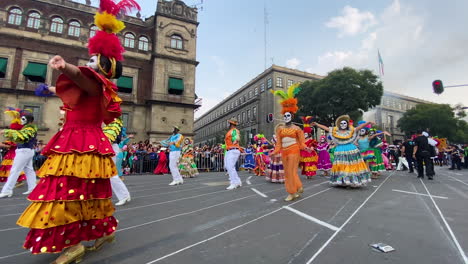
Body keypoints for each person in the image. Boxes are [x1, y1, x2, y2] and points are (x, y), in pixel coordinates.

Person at [15, 0, 140, 262]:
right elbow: (73, 89)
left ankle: (73, 244)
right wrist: (48, 89)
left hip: (83, 141)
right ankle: (102, 232)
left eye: (95, 58)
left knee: (67, 193)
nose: (90, 60)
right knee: (88, 192)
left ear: (104, 64)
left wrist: (65, 67)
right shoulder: (90, 84)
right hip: (74, 139)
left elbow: (82, 80)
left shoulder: (97, 82)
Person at [271, 84, 310, 201]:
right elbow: (278, 144)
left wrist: (306, 148)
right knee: (290, 172)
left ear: (292, 116)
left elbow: (302, 142)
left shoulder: (297, 129)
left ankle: (291, 192)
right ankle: (298, 187)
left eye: (288, 115)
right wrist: (274, 152)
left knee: (289, 172)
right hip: (284, 152)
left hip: (294, 150)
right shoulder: (279, 129)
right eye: (284, 115)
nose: (286, 117)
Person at [313, 116, 373, 187]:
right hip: (340, 150)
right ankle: (342, 180)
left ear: (347, 124)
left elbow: (359, 128)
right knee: (340, 165)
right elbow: (326, 128)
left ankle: (352, 180)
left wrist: (368, 122)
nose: (343, 125)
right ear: (339, 124)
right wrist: (317, 124)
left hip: (350, 149)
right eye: (341, 123)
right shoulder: (336, 131)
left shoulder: (351, 131)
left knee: (351, 165)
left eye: (344, 123)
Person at [0, 112, 38, 198]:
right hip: (26, 150)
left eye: (23, 119)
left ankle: (7, 190)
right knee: (29, 170)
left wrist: (7, 131)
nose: (21, 120)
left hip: (24, 151)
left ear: (29, 120)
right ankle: (33, 188)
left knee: (15, 170)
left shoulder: (30, 128)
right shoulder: (28, 128)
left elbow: (22, 136)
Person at [103, 118, 132, 206]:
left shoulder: (115, 122)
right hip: (108, 147)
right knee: (108, 175)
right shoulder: (109, 121)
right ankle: (125, 195)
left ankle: (123, 196)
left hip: (110, 147)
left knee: (111, 174)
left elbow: (112, 137)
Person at [0, 108, 29, 188]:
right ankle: (13, 182)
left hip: (14, 153)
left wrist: (4, 145)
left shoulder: (18, 137)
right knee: (11, 167)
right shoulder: (16, 136)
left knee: (13, 167)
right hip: (12, 153)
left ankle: (16, 182)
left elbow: (11, 145)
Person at [224, 118, 242, 190]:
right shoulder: (231, 131)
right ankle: (237, 181)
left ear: (231, 124)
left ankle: (234, 183)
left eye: (228, 123)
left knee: (230, 167)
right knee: (229, 167)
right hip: (230, 150)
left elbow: (236, 138)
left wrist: (235, 140)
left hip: (233, 150)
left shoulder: (234, 130)